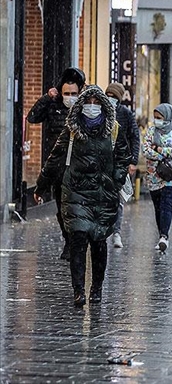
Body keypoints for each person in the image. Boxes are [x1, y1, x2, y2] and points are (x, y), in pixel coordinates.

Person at [34, 86, 130, 306]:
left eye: (97, 103)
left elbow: (124, 157)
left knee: (98, 242)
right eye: (89, 102)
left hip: (104, 195)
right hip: (76, 192)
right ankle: (78, 289)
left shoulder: (113, 130)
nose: (92, 107)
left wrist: (115, 179)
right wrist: (40, 186)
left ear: (104, 106)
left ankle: (96, 287)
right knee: (78, 238)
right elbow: (54, 159)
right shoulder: (71, 131)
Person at [27, 67, 86, 260]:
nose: (70, 97)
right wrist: (46, 97)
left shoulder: (86, 106)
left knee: (78, 207)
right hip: (59, 167)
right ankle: (69, 241)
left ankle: (78, 242)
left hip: (81, 167)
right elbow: (33, 117)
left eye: (74, 94)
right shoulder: (54, 106)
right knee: (62, 209)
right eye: (67, 94)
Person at [142, 104, 172, 252]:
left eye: (159, 118)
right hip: (153, 175)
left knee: (167, 204)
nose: (156, 121)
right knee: (158, 207)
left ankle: (164, 237)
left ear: (167, 117)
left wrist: (159, 149)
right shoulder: (151, 131)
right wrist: (163, 153)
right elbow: (146, 150)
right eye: (155, 118)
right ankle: (161, 234)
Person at [104, 83, 140, 249]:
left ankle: (116, 232)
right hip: (103, 162)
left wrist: (132, 161)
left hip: (120, 162)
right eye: (108, 95)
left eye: (113, 96)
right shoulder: (100, 111)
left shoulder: (125, 114)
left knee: (118, 200)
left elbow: (134, 137)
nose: (110, 99)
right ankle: (104, 230)